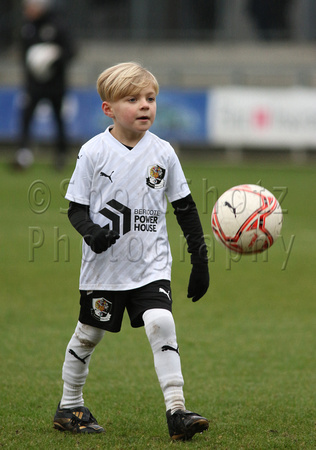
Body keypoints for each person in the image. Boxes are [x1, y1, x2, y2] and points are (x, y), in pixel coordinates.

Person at [53, 62, 210, 441]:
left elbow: (185, 208)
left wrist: (200, 259)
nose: (145, 106)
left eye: (151, 99)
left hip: (150, 267)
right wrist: (91, 232)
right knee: (88, 334)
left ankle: (177, 411)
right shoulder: (93, 152)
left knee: (161, 321)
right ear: (108, 108)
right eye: (133, 99)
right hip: (103, 270)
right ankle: (70, 405)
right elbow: (75, 207)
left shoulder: (164, 152)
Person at [15, 0, 75, 170]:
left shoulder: (58, 25)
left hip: (55, 84)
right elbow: (24, 55)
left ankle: (61, 155)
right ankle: (23, 155)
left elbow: (71, 51)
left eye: (30, 7)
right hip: (33, 85)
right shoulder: (27, 28)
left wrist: (54, 59)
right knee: (26, 117)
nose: (27, 11)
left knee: (58, 119)